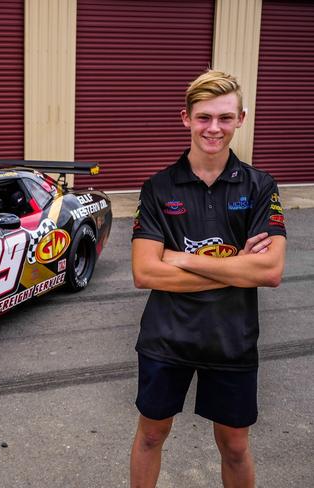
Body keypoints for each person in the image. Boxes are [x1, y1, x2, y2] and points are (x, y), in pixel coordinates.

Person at [129, 70, 287, 488]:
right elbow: (145, 272)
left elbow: (270, 271)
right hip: (167, 338)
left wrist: (180, 258)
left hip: (231, 339)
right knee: (150, 435)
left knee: (235, 446)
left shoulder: (259, 186)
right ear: (186, 118)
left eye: (224, 117)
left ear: (241, 119)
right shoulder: (158, 188)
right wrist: (237, 266)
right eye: (203, 117)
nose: (213, 128)